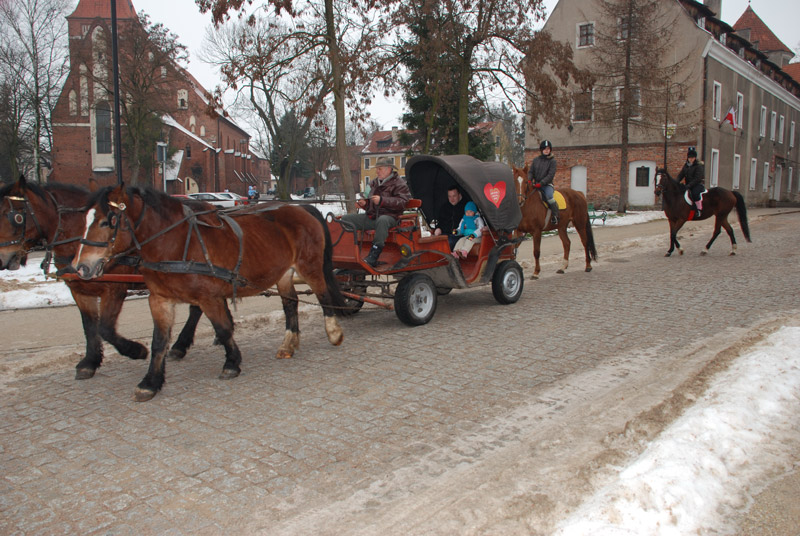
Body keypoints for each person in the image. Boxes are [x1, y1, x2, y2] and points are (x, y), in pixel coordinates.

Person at [339, 156, 411, 267]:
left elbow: (402, 202)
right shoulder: (374, 183)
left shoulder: (399, 183)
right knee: (346, 219)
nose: (377, 171)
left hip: (391, 217)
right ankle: (350, 250)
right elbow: (371, 201)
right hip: (373, 217)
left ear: (388, 169)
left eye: (380, 169)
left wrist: (382, 201)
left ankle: (374, 254)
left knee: (382, 220)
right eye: (377, 169)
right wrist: (365, 203)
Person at [527, 140, 559, 225]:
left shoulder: (552, 161)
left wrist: (541, 183)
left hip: (546, 185)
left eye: (548, 149)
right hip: (535, 184)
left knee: (549, 197)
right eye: (544, 149)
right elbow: (531, 172)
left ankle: (555, 216)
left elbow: (550, 175)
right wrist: (529, 179)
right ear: (541, 150)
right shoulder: (536, 160)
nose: (546, 150)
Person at [677, 146, 705, 217]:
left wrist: (689, 185)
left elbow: (697, 178)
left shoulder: (698, 166)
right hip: (688, 184)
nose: (691, 159)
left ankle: (699, 210)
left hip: (697, 184)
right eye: (689, 158)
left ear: (695, 158)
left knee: (694, 194)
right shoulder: (686, 166)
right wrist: (676, 182)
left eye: (692, 158)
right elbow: (681, 175)